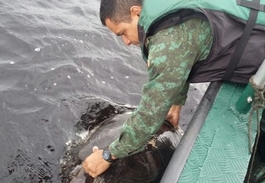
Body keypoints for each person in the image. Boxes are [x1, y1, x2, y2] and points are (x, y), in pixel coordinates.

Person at [82, 0, 265, 178]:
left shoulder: (167, 41)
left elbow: (150, 114)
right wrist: (177, 101)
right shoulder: (165, 11)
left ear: (136, 12)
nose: (126, 42)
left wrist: (108, 155)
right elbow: (185, 51)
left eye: (123, 32)